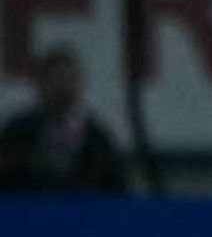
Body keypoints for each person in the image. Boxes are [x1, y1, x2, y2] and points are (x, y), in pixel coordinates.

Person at [0, 48, 127, 194]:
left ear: (80, 84)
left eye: (70, 79)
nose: (63, 87)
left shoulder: (98, 139)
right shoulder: (17, 133)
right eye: (56, 79)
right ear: (40, 84)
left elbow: (117, 188)